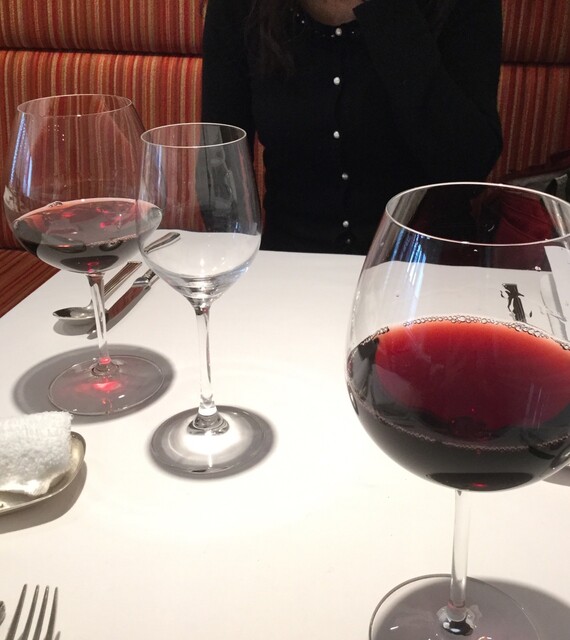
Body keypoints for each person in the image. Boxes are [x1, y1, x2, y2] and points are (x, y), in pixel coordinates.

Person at [201, 0, 503, 254]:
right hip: (287, 270)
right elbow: (217, 172)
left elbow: (468, 170)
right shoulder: (239, 7)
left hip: (426, 269)